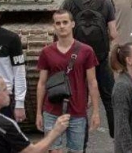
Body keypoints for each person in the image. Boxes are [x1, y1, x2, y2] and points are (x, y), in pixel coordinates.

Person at [61, 0, 117, 137]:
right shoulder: (105, 3)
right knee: (109, 97)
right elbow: (113, 33)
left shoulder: (70, 2)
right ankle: (116, 134)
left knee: (79, 99)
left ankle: (79, 137)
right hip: (99, 57)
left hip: (78, 57)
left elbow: (63, 30)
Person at [36, 10, 100, 153]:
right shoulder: (47, 52)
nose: (62, 26)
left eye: (65, 22)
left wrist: (96, 112)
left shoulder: (86, 51)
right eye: (58, 23)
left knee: (76, 150)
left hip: (77, 109)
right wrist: (39, 113)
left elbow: (92, 82)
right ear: (53, 26)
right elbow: (42, 83)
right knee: (54, 150)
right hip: (52, 109)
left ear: (73, 24)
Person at [0, 75, 69, 153]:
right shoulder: (5, 124)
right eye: (5, 89)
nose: (9, 92)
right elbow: (32, 151)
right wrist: (56, 131)